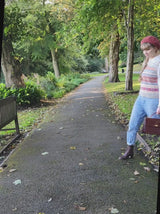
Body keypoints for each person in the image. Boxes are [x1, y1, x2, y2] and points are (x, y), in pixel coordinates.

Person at [119, 35, 160, 160]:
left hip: (153, 100)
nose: (145, 52)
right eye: (143, 50)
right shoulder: (147, 61)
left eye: (147, 49)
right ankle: (129, 150)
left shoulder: (159, 61)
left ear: (156, 48)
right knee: (133, 125)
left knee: (156, 128)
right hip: (141, 99)